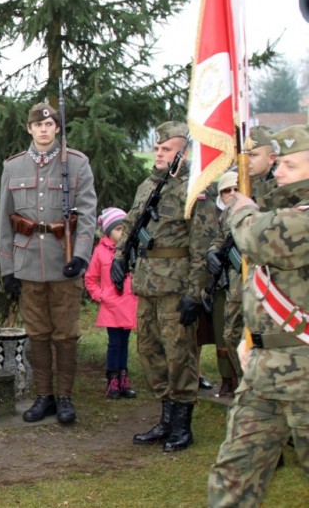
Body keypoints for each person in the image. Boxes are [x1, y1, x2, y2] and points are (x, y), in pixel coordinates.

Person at [207, 124, 309, 507]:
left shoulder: (291, 219)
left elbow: (261, 239)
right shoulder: (282, 210)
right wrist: (253, 337)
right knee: (233, 475)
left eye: (290, 166)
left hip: (304, 371)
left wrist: (241, 208)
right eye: (279, 164)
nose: (278, 172)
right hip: (264, 370)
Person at [110, 121, 215, 452]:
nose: (158, 153)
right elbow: (131, 223)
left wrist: (195, 293)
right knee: (150, 352)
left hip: (176, 287)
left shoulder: (194, 190)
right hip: (146, 284)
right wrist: (119, 256)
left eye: (166, 149)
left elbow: (203, 246)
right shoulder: (148, 185)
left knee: (179, 354)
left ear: (184, 153)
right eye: (156, 148)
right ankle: (166, 418)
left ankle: (182, 425)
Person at [0, 102, 97, 424]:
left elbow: (87, 215)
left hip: (63, 260)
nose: (43, 129)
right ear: (29, 128)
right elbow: (5, 221)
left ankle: (65, 397)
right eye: (38, 125)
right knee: (37, 333)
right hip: (28, 262)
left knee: (65, 334)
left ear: (57, 128)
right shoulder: (13, 167)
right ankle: (44, 396)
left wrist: (81, 255)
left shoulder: (77, 164)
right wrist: (8, 268)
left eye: (49, 124)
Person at [84, 207, 138, 399]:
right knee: (114, 343)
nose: (122, 233)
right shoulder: (100, 251)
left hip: (128, 305)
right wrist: (101, 295)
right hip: (111, 307)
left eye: (125, 229)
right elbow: (90, 278)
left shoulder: (132, 250)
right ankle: (112, 379)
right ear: (108, 232)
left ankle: (123, 378)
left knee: (125, 342)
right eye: (118, 229)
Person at [205, 170, 243, 397]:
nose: (232, 193)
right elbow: (218, 240)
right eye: (226, 190)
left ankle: (243, 380)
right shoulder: (224, 215)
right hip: (223, 282)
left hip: (248, 284)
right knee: (224, 334)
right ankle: (227, 378)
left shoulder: (253, 211)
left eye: (236, 189)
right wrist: (212, 252)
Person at [246, 125, 278, 200]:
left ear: (271, 158)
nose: (246, 161)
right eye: (243, 156)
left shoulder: (282, 182)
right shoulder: (234, 180)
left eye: (253, 155)